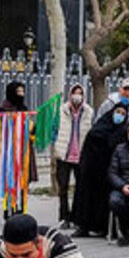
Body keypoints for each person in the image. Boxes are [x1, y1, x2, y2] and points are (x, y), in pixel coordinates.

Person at [69, 99, 129, 237]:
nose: (119, 115)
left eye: (122, 113)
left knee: (104, 200)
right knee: (86, 198)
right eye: (117, 112)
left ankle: (104, 228)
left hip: (109, 173)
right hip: (91, 171)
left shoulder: (123, 132)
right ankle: (83, 226)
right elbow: (90, 145)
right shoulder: (99, 127)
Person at [53, 83, 93, 229]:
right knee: (62, 188)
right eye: (75, 93)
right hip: (64, 154)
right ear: (70, 94)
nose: (77, 96)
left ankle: (77, 217)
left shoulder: (88, 111)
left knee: (80, 188)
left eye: (80, 93)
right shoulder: (62, 110)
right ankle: (64, 217)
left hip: (81, 155)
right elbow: (54, 128)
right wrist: (55, 145)